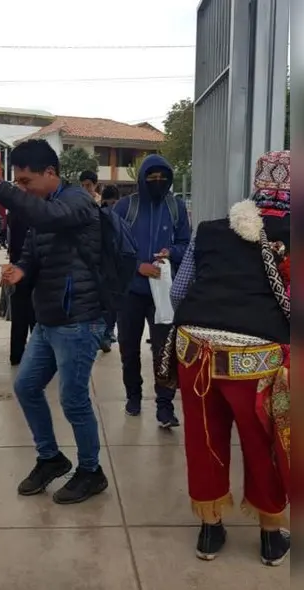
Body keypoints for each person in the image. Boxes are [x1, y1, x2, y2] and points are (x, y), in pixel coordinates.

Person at [169, 150, 290, 566]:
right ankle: (272, 537)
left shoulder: (210, 229)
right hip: (256, 358)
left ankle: (209, 530)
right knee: (263, 444)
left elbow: (178, 291)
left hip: (194, 348)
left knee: (204, 439)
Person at [0, 139, 108, 505]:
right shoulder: (44, 207)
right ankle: (50, 458)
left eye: (25, 181)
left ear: (50, 173)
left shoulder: (76, 202)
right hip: (49, 318)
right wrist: (20, 269)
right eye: (16, 183)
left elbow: (49, 220)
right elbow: (32, 251)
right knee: (27, 388)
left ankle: (91, 471)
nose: (22, 189)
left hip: (79, 319)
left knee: (73, 399)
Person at [112, 155, 190, 426]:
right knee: (129, 348)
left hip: (163, 294)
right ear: (142, 179)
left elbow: (186, 244)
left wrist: (172, 252)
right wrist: (138, 266)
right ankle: (133, 395)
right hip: (130, 293)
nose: (158, 183)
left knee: (164, 351)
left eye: (163, 178)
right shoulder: (125, 207)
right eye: (152, 178)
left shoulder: (176, 207)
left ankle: (165, 406)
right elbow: (111, 248)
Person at [6, 207, 35, 365]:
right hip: (34, 269)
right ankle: (36, 355)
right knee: (35, 315)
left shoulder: (14, 212)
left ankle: (16, 354)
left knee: (19, 315)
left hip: (17, 265)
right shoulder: (37, 211)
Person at [98, 184, 122, 351]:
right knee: (109, 303)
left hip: (109, 266)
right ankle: (106, 334)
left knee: (110, 304)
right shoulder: (114, 216)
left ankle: (106, 333)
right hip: (109, 266)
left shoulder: (98, 214)